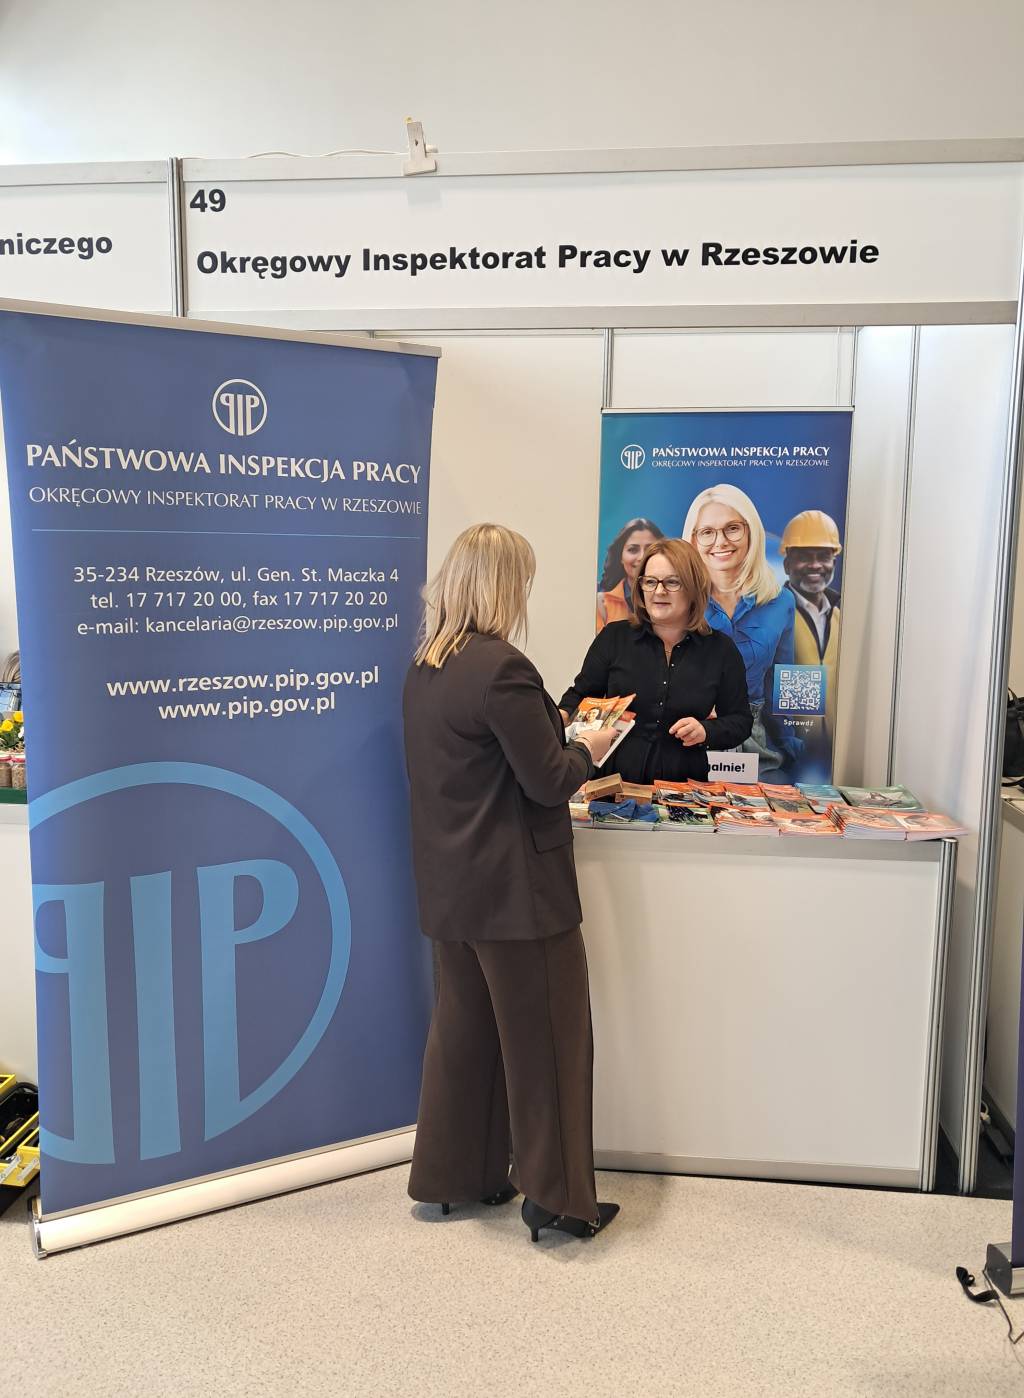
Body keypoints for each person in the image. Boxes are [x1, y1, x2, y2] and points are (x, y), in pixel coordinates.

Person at [403, 523, 620, 1244]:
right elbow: (548, 780)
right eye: (522, 580)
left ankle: (454, 1176)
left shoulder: (427, 666)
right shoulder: (503, 669)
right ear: (502, 586)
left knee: (463, 1038)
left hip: (452, 890)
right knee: (550, 1047)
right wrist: (587, 750)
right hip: (519, 894)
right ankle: (558, 1200)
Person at [559, 538, 752, 783]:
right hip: (613, 787)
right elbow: (580, 697)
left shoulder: (721, 650)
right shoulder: (614, 637)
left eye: (672, 582)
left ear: (693, 587)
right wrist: (557, 718)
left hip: (683, 790)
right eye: (650, 582)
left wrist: (706, 731)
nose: (659, 591)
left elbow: (740, 721)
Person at [681, 484, 796, 774]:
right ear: (693, 539)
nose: (720, 542)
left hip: (755, 741)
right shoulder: (676, 599)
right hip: (685, 736)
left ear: (751, 532)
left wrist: (790, 745)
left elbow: (781, 683)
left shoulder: (781, 601)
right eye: (707, 532)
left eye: (732, 528)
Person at [781, 510, 842, 739]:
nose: (815, 565)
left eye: (823, 556)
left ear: (833, 562)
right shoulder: (775, 614)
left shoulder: (841, 615)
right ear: (787, 565)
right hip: (791, 750)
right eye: (804, 557)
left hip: (834, 749)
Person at [596, 517, 665, 630]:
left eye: (650, 549)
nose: (642, 557)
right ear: (620, 556)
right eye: (633, 550)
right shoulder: (602, 604)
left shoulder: (676, 599)